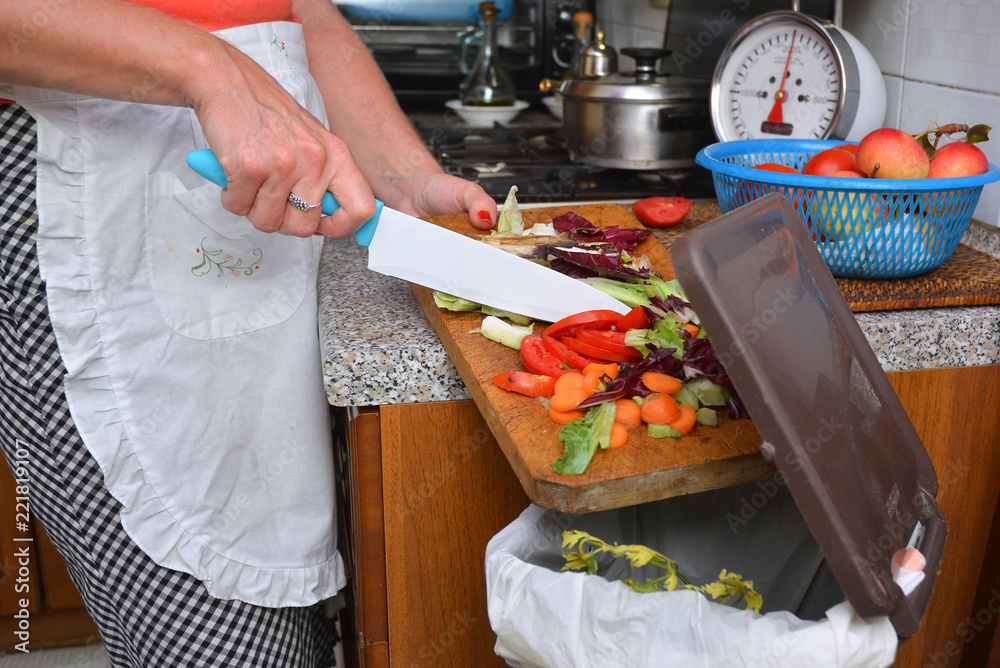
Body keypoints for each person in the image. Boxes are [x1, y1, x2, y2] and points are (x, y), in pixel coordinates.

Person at [0, 0, 495, 665]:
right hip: (92, 182)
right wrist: (207, 64)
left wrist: (403, 183)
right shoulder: (204, 75)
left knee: (295, 622)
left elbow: (303, 10)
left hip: (256, 206)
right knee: (221, 637)